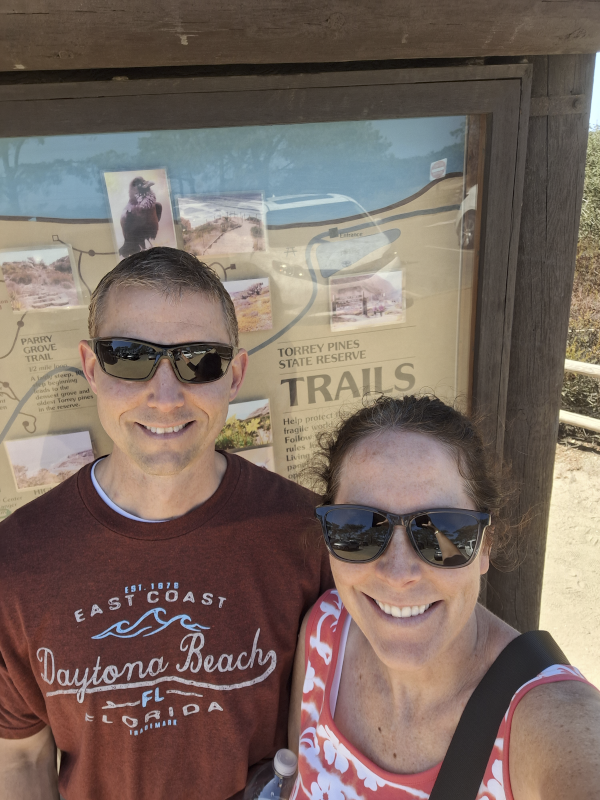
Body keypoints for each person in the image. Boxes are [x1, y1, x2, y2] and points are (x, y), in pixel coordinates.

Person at [0, 247, 332, 800]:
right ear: (91, 368)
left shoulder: (306, 535)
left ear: (234, 376)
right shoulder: (16, 562)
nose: (165, 397)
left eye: (199, 362)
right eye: (130, 358)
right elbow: (21, 757)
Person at [288, 395, 600, 800]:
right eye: (358, 528)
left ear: (485, 546)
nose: (398, 573)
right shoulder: (325, 630)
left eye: (441, 532)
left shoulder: (548, 720)